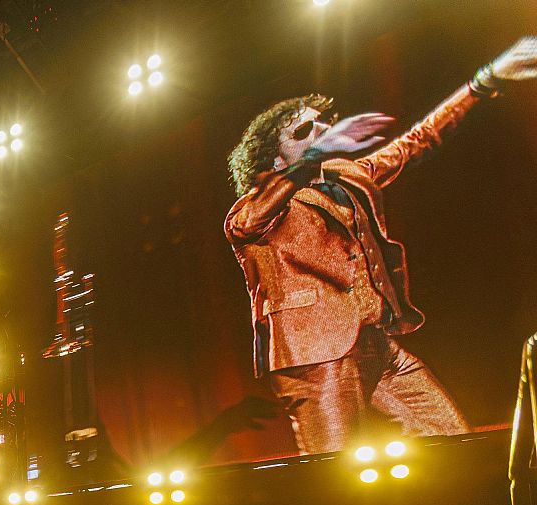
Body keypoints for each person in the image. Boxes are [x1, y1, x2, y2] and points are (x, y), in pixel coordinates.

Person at [223, 37, 537, 454]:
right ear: (276, 159)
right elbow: (253, 221)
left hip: (374, 340)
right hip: (316, 355)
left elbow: (416, 141)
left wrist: (482, 82)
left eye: (322, 124)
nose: (321, 132)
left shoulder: (348, 176)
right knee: (332, 473)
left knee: (448, 437)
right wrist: (313, 157)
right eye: (304, 131)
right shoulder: (253, 208)